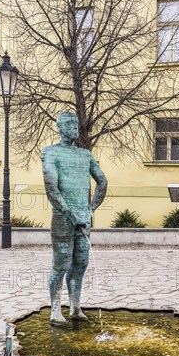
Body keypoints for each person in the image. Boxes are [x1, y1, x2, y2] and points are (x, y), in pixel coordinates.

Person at [41, 112, 107, 325]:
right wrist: (70, 213)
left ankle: (75, 307)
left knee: (81, 263)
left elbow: (103, 182)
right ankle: (55, 309)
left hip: (83, 218)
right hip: (63, 218)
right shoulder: (50, 153)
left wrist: (90, 209)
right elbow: (51, 188)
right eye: (69, 124)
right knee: (60, 264)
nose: (74, 127)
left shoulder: (85, 155)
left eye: (76, 123)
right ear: (59, 127)